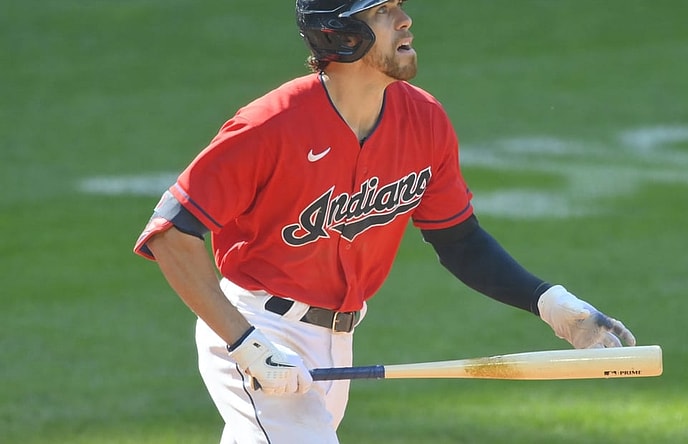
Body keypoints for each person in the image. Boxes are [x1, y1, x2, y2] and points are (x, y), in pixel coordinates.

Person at [133, 1, 636, 442]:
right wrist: (245, 343)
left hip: (338, 344)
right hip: (257, 330)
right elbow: (171, 234)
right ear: (341, 31)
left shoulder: (424, 120)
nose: (405, 20)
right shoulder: (270, 125)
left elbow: (459, 241)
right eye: (382, 11)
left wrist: (552, 305)